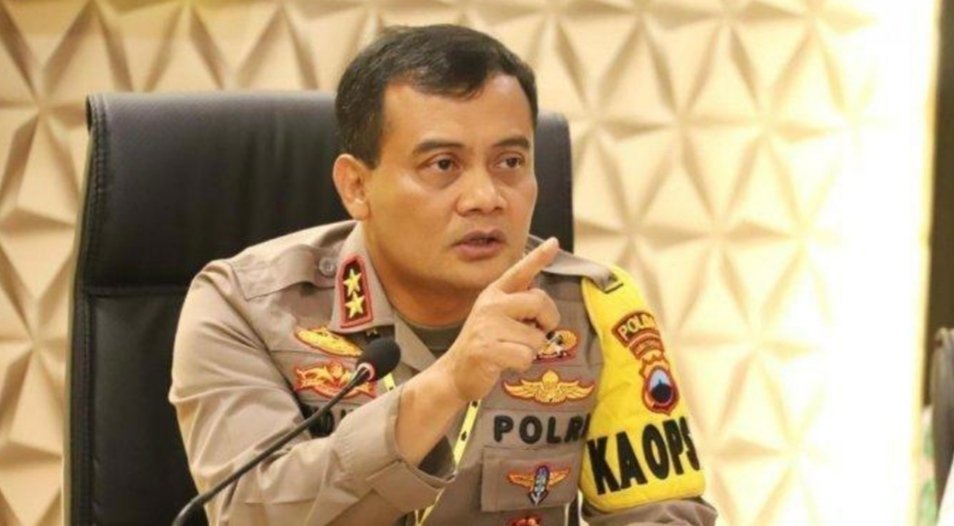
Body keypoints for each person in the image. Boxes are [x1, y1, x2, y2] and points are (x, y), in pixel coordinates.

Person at [170, 24, 718, 525]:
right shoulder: (243, 304)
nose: (485, 197)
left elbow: (659, 515)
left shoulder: (595, 309)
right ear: (356, 187)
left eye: (510, 162)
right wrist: (448, 383)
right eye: (443, 165)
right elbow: (250, 513)